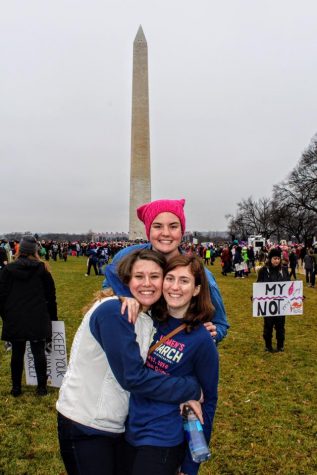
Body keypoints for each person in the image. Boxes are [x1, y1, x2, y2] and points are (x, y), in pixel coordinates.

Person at [56, 249, 201, 475]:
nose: (147, 283)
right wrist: (189, 388)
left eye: (155, 277)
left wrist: (206, 329)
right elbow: (132, 377)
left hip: (116, 426)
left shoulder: (145, 316)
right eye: (139, 276)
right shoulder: (114, 310)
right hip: (86, 426)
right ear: (127, 280)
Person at [124, 254, 219, 475]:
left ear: (196, 289)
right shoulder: (148, 319)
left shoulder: (201, 339)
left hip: (164, 436)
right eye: (170, 278)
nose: (175, 287)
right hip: (129, 427)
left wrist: (191, 464)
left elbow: (210, 400)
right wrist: (124, 298)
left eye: (184, 281)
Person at [103, 199, 229, 343]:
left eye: (173, 226)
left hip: (176, 353)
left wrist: (213, 333)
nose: (166, 233)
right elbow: (107, 285)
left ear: (182, 231)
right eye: (157, 226)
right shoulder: (126, 256)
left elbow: (220, 323)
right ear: (148, 230)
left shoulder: (201, 275)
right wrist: (123, 294)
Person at [0, 235, 57, 396]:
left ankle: (17, 387)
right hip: (36, 316)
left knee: (18, 352)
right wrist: (52, 319)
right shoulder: (42, 269)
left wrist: (6, 316)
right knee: (38, 351)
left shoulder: (8, 270)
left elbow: (1, 297)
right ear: (35, 251)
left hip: (17, 316)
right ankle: (40, 388)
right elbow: (51, 298)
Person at [256, 248, 290, 352]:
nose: (276, 261)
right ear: (270, 259)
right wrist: (255, 297)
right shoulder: (263, 271)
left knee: (280, 325)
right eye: (274, 258)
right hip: (268, 305)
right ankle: (268, 345)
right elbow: (259, 285)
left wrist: (297, 296)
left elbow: (289, 286)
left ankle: (280, 345)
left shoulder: (284, 270)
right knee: (268, 325)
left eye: (278, 259)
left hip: (281, 305)